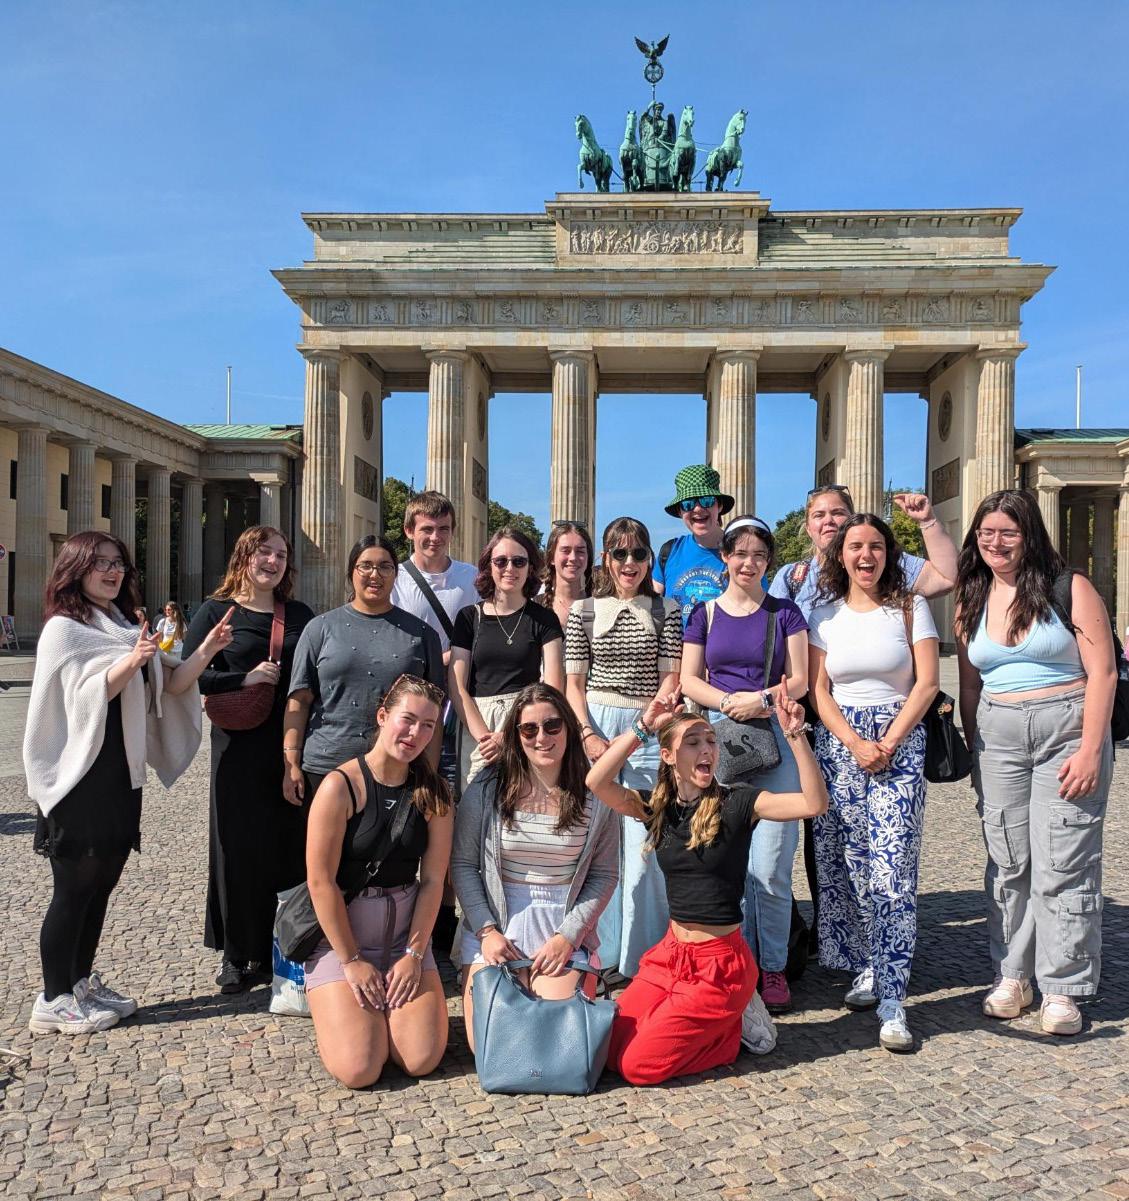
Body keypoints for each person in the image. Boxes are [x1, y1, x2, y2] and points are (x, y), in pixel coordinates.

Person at [24, 531, 231, 1033]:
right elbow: (72, 701)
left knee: (102, 884)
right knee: (73, 888)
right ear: (76, 568)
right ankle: (52, 998)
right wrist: (130, 663)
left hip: (120, 774)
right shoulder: (64, 630)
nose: (113, 571)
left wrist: (206, 648)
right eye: (100, 563)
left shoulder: (122, 626)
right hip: (78, 776)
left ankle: (79, 982)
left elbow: (172, 683)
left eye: (118, 563)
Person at [586, 686, 827, 1086]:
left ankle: (730, 1033)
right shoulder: (658, 808)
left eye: (711, 741)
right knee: (609, 1048)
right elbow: (597, 781)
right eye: (693, 742)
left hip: (720, 966)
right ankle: (715, 1020)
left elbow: (813, 804)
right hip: (670, 955)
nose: (707, 750)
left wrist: (795, 735)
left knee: (637, 1067)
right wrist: (643, 726)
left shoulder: (740, 802)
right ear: (668, 756)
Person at [955, 489, 1116, 1037]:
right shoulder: (972, 593)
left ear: (1030, 536)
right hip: (997, 736)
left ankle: (1063, 987)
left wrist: (1091, 749)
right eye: (987, 533)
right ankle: (1013, 975)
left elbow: (1104, 672)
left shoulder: (1069, 587)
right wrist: (974, 745)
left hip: (1066, 728)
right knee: (1008, 860)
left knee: (1063, 861)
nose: (996, 543)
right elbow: (971, 684)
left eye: (1009, 532)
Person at [770, 486, 957, 951]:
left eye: (838, 513)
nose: (829, 521)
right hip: (819, 717)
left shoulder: (883, 560)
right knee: (829, 840)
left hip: (886, 724)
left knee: (889, 849)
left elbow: (947, 577)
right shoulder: (792, 576)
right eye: (819, 514)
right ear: (808, 525)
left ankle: (884, 951)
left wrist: (927, 522)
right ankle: (837, 938)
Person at [807, 513, 940, 1053]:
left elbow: (927, 682)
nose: (867, 555)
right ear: (840, 555)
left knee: (892, 869)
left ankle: (893, 997)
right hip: (840, 747)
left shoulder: (910, 607)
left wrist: (887, 741)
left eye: (877, 546)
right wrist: (854, 743)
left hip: (898, 742)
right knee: (851, 865)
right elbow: (818, 690)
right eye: (856, 546)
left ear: (890, 553)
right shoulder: (823, 615)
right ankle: (866, 962)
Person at [679, 516, 810, 1014]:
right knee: (722, 863)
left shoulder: (785, 613)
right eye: (740, 553)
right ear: (726, 558)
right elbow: (690, 679)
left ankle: (771, 966)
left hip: (774, 738)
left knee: (771, 867)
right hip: (718, 742)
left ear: (768, 561)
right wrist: (728, 701)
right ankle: (731, 963)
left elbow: (800, 679)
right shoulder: (704, 614)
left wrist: (761, 699)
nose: (748, 563)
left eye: (758, 555)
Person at [182, 525, 314, 994]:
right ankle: (238, 954)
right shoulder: (216, 612)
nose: (273, 561)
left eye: (281, 555)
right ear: (244, 556)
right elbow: (190, 677)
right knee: (236, 846)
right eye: (264, 552)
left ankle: (286, 945)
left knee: (288, 844)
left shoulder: (298, 614)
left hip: (291, 741)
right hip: (237, 744)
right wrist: (244, 678)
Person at [304, 675, 452, 1088]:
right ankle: (338, 1002)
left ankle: (384, 1012)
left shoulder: (434, 792)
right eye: (408, 719)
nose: (415, 733)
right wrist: (351, 961)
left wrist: (414, 954)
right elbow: (320, 882)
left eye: (428, 725)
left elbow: (433, 880)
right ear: (383, 716)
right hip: (343, 939)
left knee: (421, 1059)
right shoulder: (339, 786)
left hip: (404, 937)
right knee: (360, 1068)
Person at [452, 682, 619, 1050]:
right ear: (516, 735)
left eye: (552, 725)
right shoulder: (487, 786)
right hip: (496, 921)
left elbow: (605, 874)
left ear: (569, 728)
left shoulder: (596, 792)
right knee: (493, 1047)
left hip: (562, 922)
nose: (542, 737)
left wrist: (568, 937)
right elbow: (463, 865)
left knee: (552, 1044)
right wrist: (486, 931)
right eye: (529, 729)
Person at [565, 516, 682, 977]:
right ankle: (596, 954)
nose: (629, 562)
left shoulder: (666, 609)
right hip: (594, 724)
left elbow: (670, 678)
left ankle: (639, 962)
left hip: (647, 728)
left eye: (638, 553)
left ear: (649, 558)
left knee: (642, 854)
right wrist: (586, 734)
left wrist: (644, 725)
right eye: (620, 553)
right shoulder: (583, 611)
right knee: (593, 848)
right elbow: (574, 685)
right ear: (606, 559)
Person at [284, 536, 444, 803]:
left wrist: (429, 775)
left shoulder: (423, 635)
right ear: (351, 572)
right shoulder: (319, 628)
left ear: (396, 574)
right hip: (325, 764)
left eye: (385, 567)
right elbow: (299, 700)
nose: (375, 574)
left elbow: (434, 715)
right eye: (365, 566)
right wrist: (291, 763)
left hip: (398, 770)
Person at [390, 490, 479, 950]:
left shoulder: (472, 577)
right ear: (410, 531)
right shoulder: (395, 578)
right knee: (408, 810)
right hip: (413, 712)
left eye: (443, 529)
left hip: (457, 711)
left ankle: (444, 917)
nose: (435, 537)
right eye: (426, 529)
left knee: (448, 809)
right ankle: (400, 910)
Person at [449, 528, 564, 786]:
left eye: (519, 561)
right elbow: (457, 686)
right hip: (477, 724)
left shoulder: (545, 619)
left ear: (530, 568)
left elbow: (553, 686)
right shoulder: (469, 618)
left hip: (528, 723)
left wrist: (510, 734)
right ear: (488, 566)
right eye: (501, 561)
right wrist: (486, 738)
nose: (509, 568)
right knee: (475, 805)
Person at [653, 464, 734, 625]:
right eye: (688, 504)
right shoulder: (669, 552)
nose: (697, 508)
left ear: (720, 506)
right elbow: (651, 605)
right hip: (676, 642)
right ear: (679, 511)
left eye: (706, 500)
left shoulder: (741, 553)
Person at [538, 521, 594, 633]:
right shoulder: (535, 606)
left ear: (588, 557)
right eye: (565, 551)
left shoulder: (599, 606)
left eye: (580, 551)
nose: (573, 558)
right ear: (551, 557)